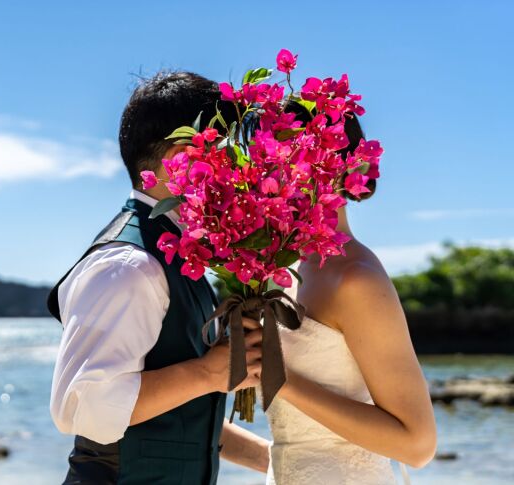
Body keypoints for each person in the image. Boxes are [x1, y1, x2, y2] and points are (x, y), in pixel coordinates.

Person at [47, 71, 270, 484]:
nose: (244, 174)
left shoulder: (172, 254)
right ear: (184, 154)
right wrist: (207, 373)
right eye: (231, 153)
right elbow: (84, 408)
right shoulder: (129, 265)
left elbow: (174, 420)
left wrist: (280, 463)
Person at [264, 108, 437, 484]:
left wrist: (278, 380)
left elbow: (418, 444)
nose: (279, 170)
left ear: (345, 166)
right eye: (271, 156)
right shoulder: (277, 272)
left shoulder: (357, 280)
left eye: (300, 154)